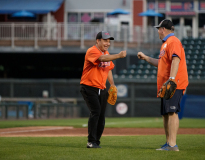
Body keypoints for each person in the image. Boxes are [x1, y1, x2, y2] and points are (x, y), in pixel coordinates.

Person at [137, 19, 188, 151]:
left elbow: (176, 60)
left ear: (163, 29)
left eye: (158, 29)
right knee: (166, 113)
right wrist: (146, 58)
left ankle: (172, 144)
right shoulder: (165, 44)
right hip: (167, 83)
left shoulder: (173, 41)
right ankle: (168, 143)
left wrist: (171, 79)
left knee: (172, 112)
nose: (158, 31)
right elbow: (161, 63)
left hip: (174, 83)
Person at [80, 31, 127, 148]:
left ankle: (96, 141)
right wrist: (118, 55)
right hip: (89, 87)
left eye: (109, 41)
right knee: (95, 111)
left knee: (101, 115)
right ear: (98, 41)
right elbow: (101, 59)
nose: (108, 43)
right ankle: (91, 141)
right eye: (105, 40)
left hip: (102, 88)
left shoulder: (106, 53)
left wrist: (112, 84)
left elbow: (108, 68)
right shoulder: (92, 51)